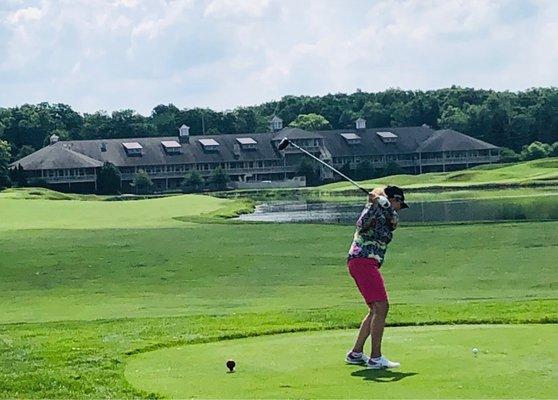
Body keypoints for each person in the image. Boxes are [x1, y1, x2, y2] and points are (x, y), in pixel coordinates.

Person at [345, 185, 408, 369]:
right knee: (382, 306)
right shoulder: (372, 210)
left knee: (375, 309)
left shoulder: (389, 215)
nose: (399, 208)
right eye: (399, 203)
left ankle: (356, 353)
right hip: (362, 260)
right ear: (393, 199)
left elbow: (392, 220)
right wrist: (374, 203)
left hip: (366, 262)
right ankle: (375, 357)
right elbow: (361, 224)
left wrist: (382, 203)